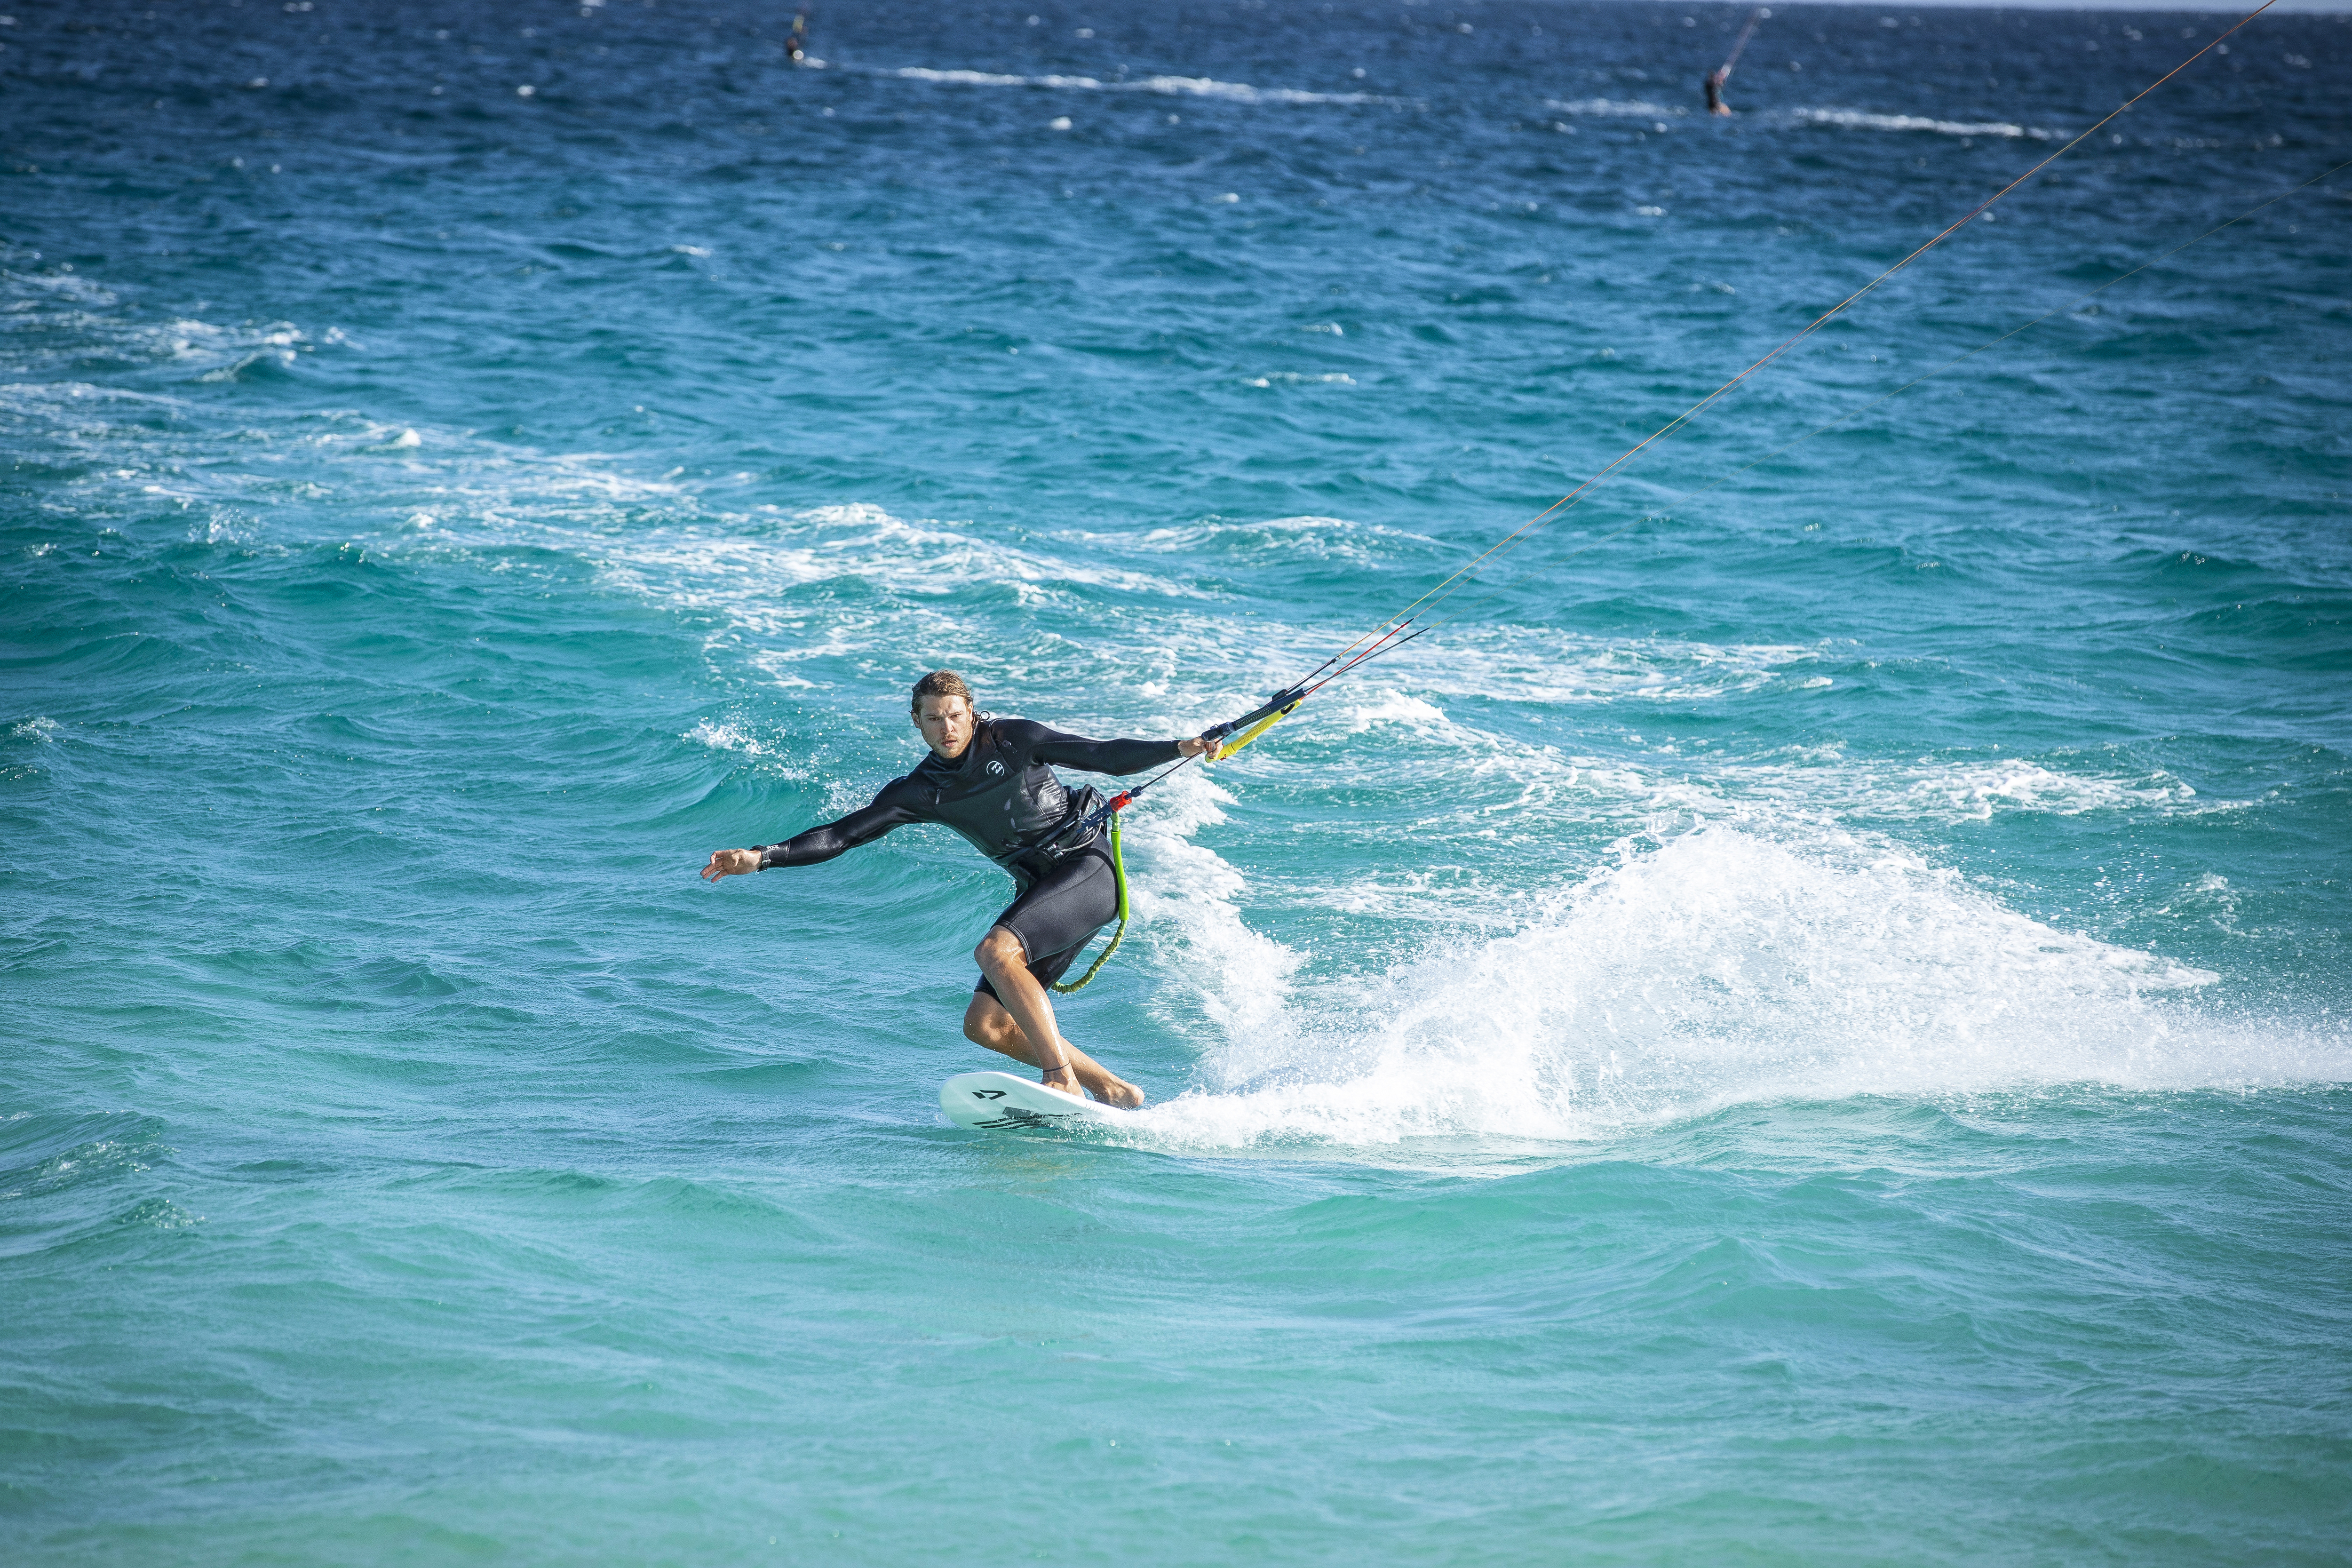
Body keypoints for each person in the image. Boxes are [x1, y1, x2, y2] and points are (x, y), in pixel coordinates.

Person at [700, 670, 1221, 1108]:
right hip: (1040, 892)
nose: (946, 727)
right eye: (933, 717)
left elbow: (1102, 755)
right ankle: (1113, 1090)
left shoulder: (1015, 741)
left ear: (971, 711)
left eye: (954, 714)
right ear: (917, 723)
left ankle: (1060, 1078)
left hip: (1085, 870)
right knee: (986, 1026)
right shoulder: (922, 790)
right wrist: (763, 857)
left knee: (995, 951)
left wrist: (1180, 747)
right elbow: (842, 835)